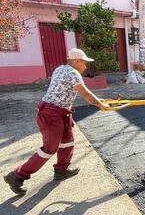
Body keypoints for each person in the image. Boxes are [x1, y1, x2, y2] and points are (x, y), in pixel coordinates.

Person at [3, 48, 112, 195]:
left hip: (61, 112)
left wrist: (99, 101)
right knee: (49, 148)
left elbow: (66, 92)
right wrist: (100, 105)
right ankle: (17, 176)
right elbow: (87, 96)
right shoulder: (73, 74)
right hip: (51, 113)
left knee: (67, 141)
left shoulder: (60, 69)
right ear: (76, 61)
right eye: (84, 63)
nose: (85, 67)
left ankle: (61, 170)